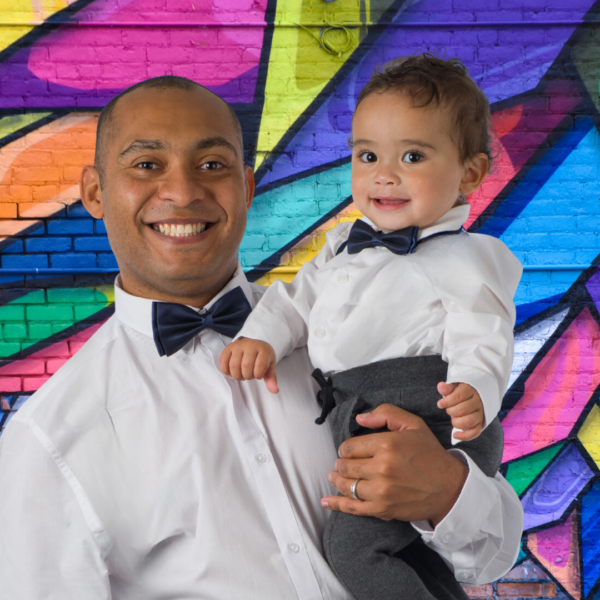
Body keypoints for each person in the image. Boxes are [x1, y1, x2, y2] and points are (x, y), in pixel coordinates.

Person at [0, 75, 523, 600]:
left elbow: (491, 555)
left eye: (212, 165)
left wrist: (449, 493)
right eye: (146, 165)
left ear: (247, 187)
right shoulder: (48, 441)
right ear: (95, 192)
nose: (182, 192)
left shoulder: (345, 338)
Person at [221, 55, 523, 600]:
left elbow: (485, 331)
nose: (384, 174)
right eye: (367, 155)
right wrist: (261, 336)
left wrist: (476, 389)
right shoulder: (341, 245)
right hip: (358, 410)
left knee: (354, 548)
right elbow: (294, 301)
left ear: (470, 174)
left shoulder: (469, 257)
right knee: (407, 554)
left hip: (434, 412)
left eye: (412, 156)